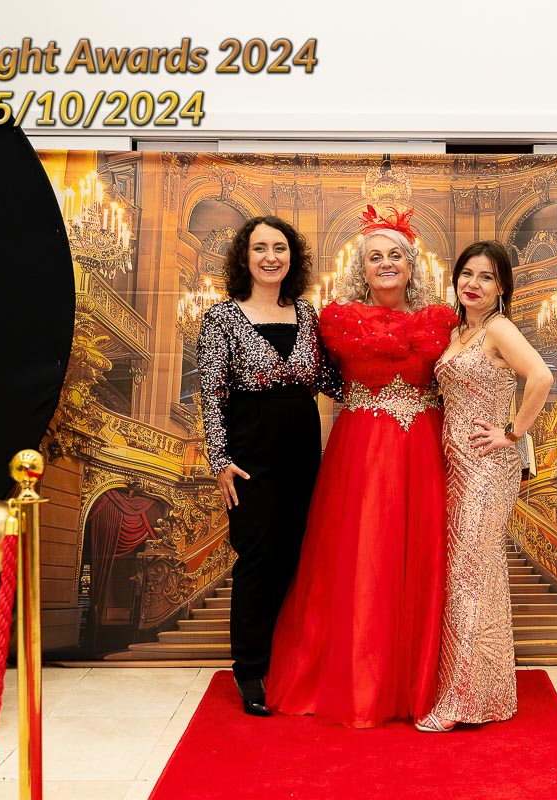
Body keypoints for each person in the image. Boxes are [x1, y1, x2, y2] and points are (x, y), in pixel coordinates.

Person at [266, 206, 458, 728]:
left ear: (412, 265)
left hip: (421, 449)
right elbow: (311, 375)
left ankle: (416, 681)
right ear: (362, 267)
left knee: (418, 553)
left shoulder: (441, 320)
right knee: (361, 554)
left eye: (396, 255)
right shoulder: (338, 319)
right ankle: (359, 680)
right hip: (360, 451)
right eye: (376, 257)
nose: (386, 263)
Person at [198, 216, 341, 716]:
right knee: (258, 559)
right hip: (249, 457)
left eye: (279, 248)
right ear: (245, 256)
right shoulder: (221, 317)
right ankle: (250, 668)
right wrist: (220, 460)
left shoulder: (307, 314)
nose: (270, 257)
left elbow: (330, 379)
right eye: (259, 248)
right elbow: (211, 395)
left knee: (297, 556)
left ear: (291, 257)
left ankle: (288, 661)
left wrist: (387, 384)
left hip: (302, 450)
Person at [415, 241, 553, 734]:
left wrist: (512, 433)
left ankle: (461, 701)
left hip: (487, 468)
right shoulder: (458, 332)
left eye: (487, 277)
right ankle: (490, 692)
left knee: (470, 576)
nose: (473, 284)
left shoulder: (498, 328)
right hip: (452, 466)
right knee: (474, 574)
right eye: (467, 274)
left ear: (501, 288)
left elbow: (541, 376)